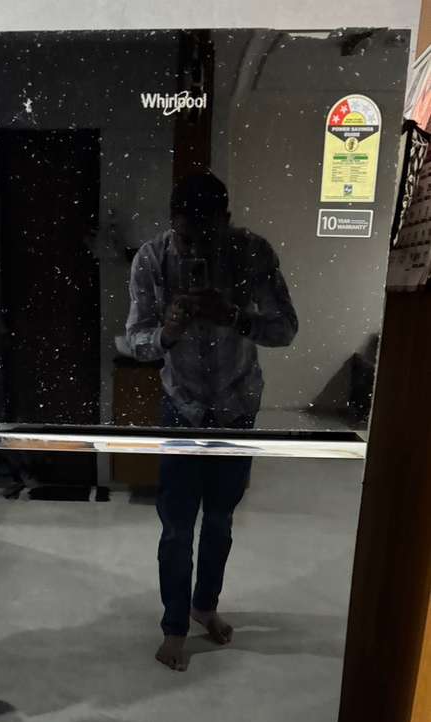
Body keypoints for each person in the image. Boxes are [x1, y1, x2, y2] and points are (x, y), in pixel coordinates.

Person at [125, 171, 298, 669]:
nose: (196, 247)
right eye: (187, 238)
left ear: (226, 220)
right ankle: (174, 626)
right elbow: (135, 340)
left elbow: (286, 329)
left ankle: (205, 607)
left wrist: (236, 316)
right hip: (180, 407)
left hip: (236, 407)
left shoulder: (253, 253)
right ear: (172, 222)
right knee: (177, 527)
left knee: (220, 519)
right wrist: (167, 333)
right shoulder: (152, 259)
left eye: (208, 237)